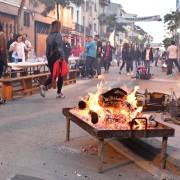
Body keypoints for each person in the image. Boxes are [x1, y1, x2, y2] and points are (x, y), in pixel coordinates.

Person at [40, 20, 64, 98]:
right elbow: (59, 47)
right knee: (60, 75)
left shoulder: (49, 36)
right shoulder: (58, 35)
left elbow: (47, 49)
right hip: (57, 57)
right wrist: (62, 57)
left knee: (54, 75)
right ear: (58, 26)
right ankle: (59, 93)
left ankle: (44, 85)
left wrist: (49, 58)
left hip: (50, 58)